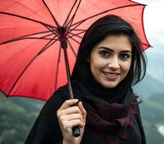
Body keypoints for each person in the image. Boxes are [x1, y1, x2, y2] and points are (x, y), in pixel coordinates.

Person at [25, 14, 147, 144]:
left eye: (124, 56)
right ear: (88, 55)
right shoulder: (63, 104)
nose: (114, 65)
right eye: (105, 53)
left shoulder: (129, 100)